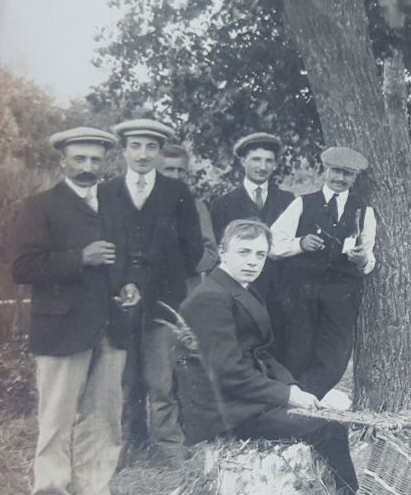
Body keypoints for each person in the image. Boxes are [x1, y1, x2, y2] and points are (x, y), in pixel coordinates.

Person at [11, 127, 140, 495]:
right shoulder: (39, 206)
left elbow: (128, 257)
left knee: (105, 417)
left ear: (105, 162)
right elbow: (22, 267)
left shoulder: (116, 206)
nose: (88, 167)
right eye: (79, 159)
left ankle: (94, 493)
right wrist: (79, 258)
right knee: (56, 418)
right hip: (62, 328)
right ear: (62, 160)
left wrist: (131, 284)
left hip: (110, 326)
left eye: (95, 160)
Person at [174, 220, 356, 491]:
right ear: (223, 252)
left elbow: (261, 352)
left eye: (260, 254)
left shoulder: (239, 288)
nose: (253, 262)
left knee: (329, 416)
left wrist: (291, 385)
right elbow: (227, 372)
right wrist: (287, 396)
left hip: (241, 399)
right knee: (328, 427)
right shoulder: (211, 298)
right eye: (244, 252)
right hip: (224, 411)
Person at [99, 118, 204, 462]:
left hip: (162, 301)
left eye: (150, 147)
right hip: (118, 302)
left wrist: (162, 279)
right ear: (124, 150)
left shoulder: (177, 194)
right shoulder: (106, 192)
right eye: (135, 146)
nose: (142, 154)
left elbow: (193, 252)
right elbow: (100, 245)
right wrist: (121, 282)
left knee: (161, 380)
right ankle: (121, 448)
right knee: (123, 380)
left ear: (159, 152)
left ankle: (167, 447)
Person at [270, 145, 377, 399]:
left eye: (347, 174)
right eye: (336, 171)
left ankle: (304, 400)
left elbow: (369, 257)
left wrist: (362, 259)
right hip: (299, 289)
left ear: (355, 178)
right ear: (325, 170)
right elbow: (271, 245)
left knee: (335, 354)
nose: (340, 179)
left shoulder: (364, 212)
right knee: (296, 348)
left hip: (340, 292)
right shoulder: (302, 204)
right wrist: (300, 243)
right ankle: (288, 402)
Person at [207, 132, 295, 301]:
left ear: (275, 165)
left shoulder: (288, 200)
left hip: (280, 291)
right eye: (256, 159)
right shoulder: (223, 204)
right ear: (243, 161)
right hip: (240, 291)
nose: (262, 167)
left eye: (269, 161)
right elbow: (219, 252)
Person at [157, 143, 219, 286]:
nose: (176, 175)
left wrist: (185, 268)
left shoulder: (197, 207)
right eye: (169, 169)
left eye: (181, 170)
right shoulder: (144, 205)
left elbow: (210, 251)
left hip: (187, 284)